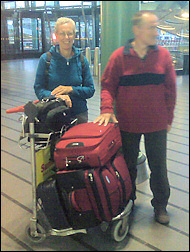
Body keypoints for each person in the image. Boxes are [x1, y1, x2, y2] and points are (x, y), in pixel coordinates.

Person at [94, 10, 176, 225]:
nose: (156, 32)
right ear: (137, 29)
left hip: (156, 123)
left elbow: (170, 89)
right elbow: (108, 86)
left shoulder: (164, 56)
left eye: (156, 27)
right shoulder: (119, 57)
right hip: (127, 123)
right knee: (127, 165)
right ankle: (128, 202)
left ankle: (160, 206)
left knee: (159, 166)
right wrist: (106, 109)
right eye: (151, 27)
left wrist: (169, 117)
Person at [34, 17, 95, 124]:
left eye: (70, 33)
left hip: (78, 115)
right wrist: (57, 97)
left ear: (74, 36)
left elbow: (90, 90)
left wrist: (71, 89)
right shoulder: (46, 59)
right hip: (53, 115)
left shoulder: (81, 60)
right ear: (56, 36)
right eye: (62, 34)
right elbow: (39, 89)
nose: (66, 37)